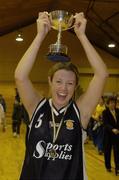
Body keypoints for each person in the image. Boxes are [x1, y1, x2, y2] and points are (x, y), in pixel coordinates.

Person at [14, 11, 108, 180]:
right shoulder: (37, 106)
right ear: (50, 81)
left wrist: (82, 36)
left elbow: (102, 74)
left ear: (75, 86)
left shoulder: (81, 111)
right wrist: (39, 36)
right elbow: (20, 76)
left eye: (70, 83)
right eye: (58, 81)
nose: (64, 88)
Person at [102, 97, 119, 175]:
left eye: (114, 103)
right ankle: (108, 166)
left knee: (117, 152)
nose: (113, 104)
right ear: (108, 104)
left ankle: (117, 168)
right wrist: (112, 129)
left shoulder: (118, 111)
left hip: (117, 135)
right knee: (107, 151)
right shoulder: (105, 112)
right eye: (111, 103)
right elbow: (106, 124)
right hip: (108, 135)